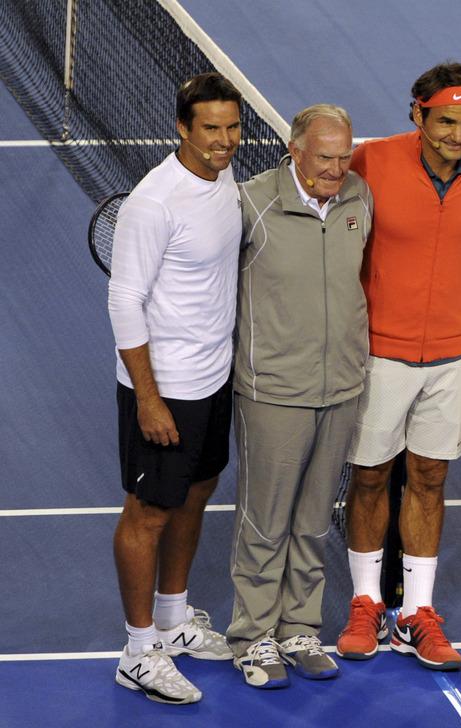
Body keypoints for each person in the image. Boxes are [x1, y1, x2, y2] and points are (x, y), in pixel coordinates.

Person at [336, 62, 461, 672]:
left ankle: (416, 614)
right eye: (445, 122)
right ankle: (365, 602)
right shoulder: (373, 161)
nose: (458, 135)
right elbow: (314, 189)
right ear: (418, 115)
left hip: (451, 356)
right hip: (380, 353)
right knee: (372, 477)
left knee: (429, 478)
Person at [227, 104, 373, 689]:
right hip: (272, 392)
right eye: (325, 157)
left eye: (345, 156)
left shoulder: (359, 197)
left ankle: (298, 628)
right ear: (294, 150)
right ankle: (253, 636)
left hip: (340, 386)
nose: (337, 169)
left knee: (314, 519)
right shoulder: (250, 203)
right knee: (266, 521)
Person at [107, 72, 242, 704]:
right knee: (148, 513)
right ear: (182, 128)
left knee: (196, 492)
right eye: (210, 129)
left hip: (214, 379)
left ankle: (173, 618)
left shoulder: (223, 180)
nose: (223, 141)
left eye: (232, 127)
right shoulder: (154, 202)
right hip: (165, 386)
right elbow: (124, 301)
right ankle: (138, 652)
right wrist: (150, 398)